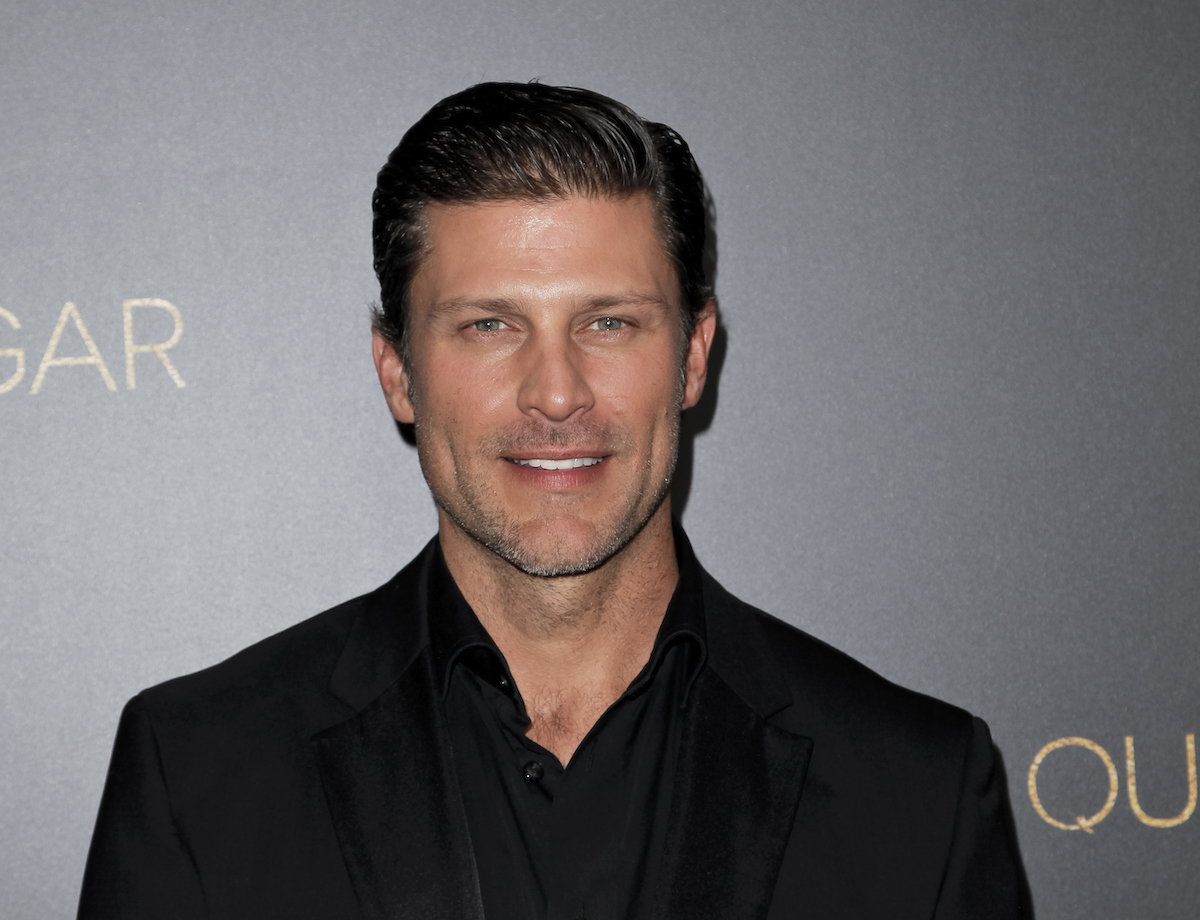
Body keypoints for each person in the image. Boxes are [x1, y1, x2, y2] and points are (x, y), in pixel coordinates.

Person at [78, 82, 1029, 920]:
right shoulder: (199, 775)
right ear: (398, 372)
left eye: (608, 322)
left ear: (693, 356)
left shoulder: (920, 795)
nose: (558, 393)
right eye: (490, 325)